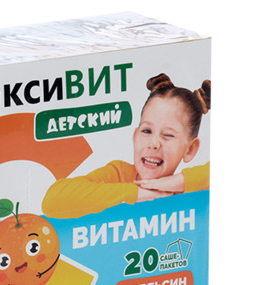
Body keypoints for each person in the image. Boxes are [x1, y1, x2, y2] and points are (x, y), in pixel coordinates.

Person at [42, 74, 211, 218]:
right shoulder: (119, 175)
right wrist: (135, 193)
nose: (153, 143)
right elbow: (52, 201)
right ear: (135, 137)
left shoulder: (194, 188)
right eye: (146, 131)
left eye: (168, 135)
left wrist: (178, 182)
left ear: (190, 150)